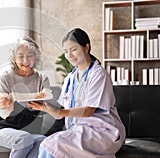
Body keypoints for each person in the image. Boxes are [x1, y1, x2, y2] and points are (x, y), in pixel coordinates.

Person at [28, 28, 126, 158]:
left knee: (51, 145)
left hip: (102, 132)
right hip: (78, 131)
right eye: (66, 52)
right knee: (44, 145)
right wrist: (46, 108)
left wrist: (60, 112)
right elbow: (61, 113)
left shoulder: (98, 74)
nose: (69, 55)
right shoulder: (70, 78)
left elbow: (88, 111)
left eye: (73, 49)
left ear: (86, 47)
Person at [0, 36, 63, 158]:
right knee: (24, 139)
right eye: (20, 56)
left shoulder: (42, 79)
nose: (26, 60)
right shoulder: (6, 78)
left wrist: (41, 104)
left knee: (43, 141)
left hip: (31, 131)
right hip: (5, 129)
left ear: (35, 57)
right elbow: (3, 112)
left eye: (30, 55)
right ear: (14, 58)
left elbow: (48, 105)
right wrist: (9, 106)